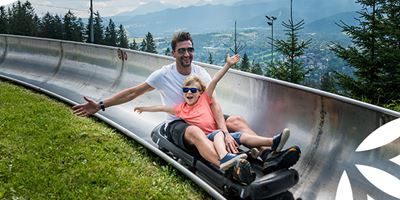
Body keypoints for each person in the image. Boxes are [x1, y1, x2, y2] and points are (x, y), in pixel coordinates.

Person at [72, 31, 285, 183]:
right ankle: (230, 167)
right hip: (179, 123)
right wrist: (100, 105)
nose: (186, 54)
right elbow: (133, 92)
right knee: (194, 131)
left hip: (203, 115)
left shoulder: (200, 72)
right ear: (173, 53)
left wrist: (223, 131)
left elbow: (214, 104)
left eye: (190, 50)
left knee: (235, 121)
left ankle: (269, 156)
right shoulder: (163, 75)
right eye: (181, 50)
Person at [134, 54, 290, 171]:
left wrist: (228, 65)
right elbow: (162, 108)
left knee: (242, 137)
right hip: (210, 136)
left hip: (218, 133)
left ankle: (272, 142)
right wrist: (144, 108)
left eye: (192, 90)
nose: (189, 93)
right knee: (219, 134)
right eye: (185, 90)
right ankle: (224, 158)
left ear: (200, 92)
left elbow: (215, 80)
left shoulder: (204, 99)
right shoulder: (181, 108)